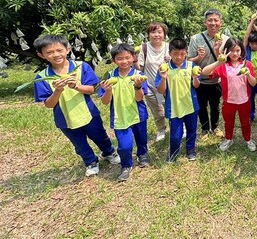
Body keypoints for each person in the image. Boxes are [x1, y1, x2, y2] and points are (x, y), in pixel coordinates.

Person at [33, 34, 120, 177]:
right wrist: (58, 91)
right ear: (41, 55)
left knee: (100, 135)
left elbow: (91, 89)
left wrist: (76, 86)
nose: (56, 55)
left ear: (68, 49)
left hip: (89, 112)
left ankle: (109, 152)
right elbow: (49, 104)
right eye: (49, 52)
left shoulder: (81, 67)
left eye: (59, 50)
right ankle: (90, 161)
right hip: (64, 118)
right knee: (79, 143)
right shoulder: (42, 77)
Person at [98, 43, 149, 182]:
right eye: (120, 58)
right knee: (124, 146)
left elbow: (139, 98)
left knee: (141, 138)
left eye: (127, 57)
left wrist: (138, 86)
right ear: (114, 61)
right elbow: (105, 102)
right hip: (120, 117)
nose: (124, 61)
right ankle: (126, 165)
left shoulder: (139, 75)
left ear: (133, 58)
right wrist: (108, 90)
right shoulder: (109, 77)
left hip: (138, 114)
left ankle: (142, 154)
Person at [201, 38, 257, 152]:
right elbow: (205, 72)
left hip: (244, 100)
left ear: (241, 50)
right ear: (226, 51)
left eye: (237, 50)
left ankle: (248, 139)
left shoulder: (247, 64)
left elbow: (253, 83)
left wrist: (248, 75)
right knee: (229, 122)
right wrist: (219, 62)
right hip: (229, 101)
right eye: (232, 51)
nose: (235, 53)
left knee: (245, 122)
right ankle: (228, 139)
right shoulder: (223, 66)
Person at [155, 38, 200, 162]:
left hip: (191, 105)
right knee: (175, 135)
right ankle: (173, 153)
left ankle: (191, 150)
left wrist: (195, 77)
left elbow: (196, 85)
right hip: (174, 107)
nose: (179, 57)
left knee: (192, 130)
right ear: (170, 53)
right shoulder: (164, 68)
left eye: (182, 54)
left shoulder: (191, 66)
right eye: (175, 54)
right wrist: (163, 78)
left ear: (186, 52)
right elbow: (160, 90)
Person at [188, 9, 228, 137]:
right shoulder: (196, 39)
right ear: (205, 22)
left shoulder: (226, 40)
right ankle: (205, 129)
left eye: (216, 20)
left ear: (220, 22)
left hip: (217, 80)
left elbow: (225, 62)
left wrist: (218, 50)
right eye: (210, 20)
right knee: (201, 106)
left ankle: (215, 127)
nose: (213, 23)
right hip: (200, 80)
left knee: (215, 105)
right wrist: (199, 57)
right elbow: (189, 60)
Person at [134, 22, 169, 142]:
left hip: (166, 85)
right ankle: (161, 129)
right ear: (149, 34)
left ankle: (180, 126)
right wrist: (134, 59)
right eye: (153, 32)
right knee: (157, 110)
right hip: (149, 86)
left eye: (159, 32)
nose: (156, 35)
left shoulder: (169, 47)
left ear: (164, 34)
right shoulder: (144, 48)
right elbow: (139, 67)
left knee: (170, 107)